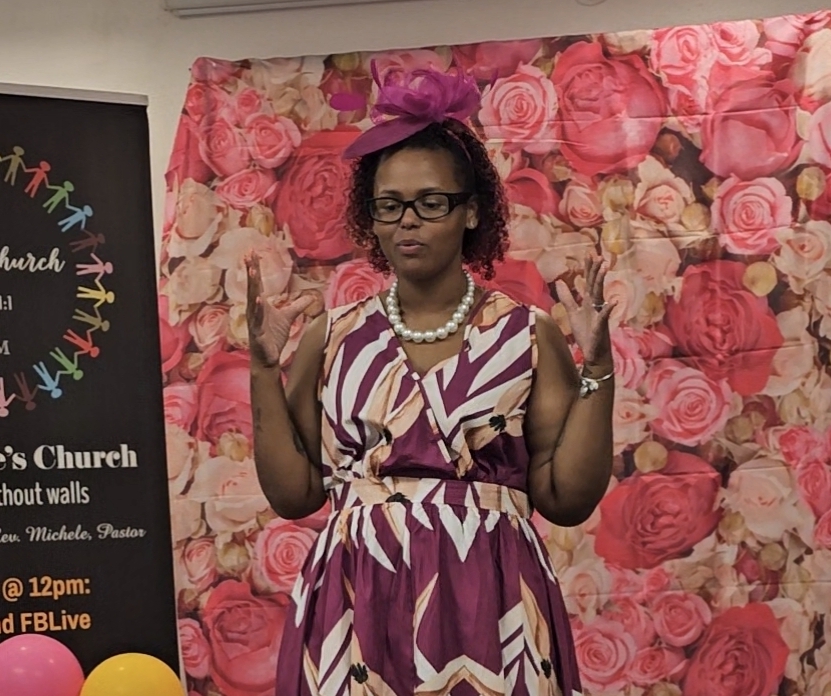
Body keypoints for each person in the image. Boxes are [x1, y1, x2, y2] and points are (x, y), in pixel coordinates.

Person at [247, 65, 615, 696]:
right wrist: (262, 369)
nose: (407, 221)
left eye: (431, 203)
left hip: (490, 600)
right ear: (371, 217)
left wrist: (598, 369)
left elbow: (565, 499)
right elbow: (294, 496)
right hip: (357, 600)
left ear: (470, 212)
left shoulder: (526, 334)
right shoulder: (331, 336)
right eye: (389, 205)